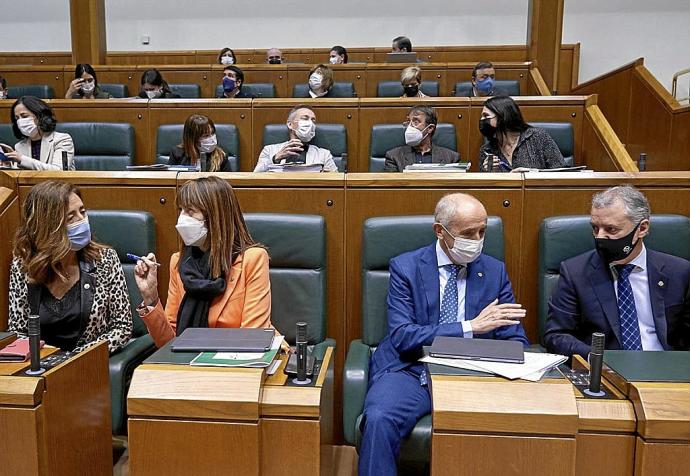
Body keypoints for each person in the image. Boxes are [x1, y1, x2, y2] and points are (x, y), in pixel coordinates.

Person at [358, 193, 529, 476]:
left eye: (482, 231)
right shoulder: (406, 267)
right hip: (411, 368)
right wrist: (470, 327)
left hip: (472, 371)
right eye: (468, 233)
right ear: (440, 231)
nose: (476, 240)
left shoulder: (494, 271)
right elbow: (403, 335)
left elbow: (514, 337)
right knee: (378, 419)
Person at [545, 186, 690, 358]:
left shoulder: (679, 272)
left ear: (642, 228)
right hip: (605, 372)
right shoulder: (575, 272)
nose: (600, 237)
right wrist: (597, 359)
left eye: (611, 229)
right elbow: (556, 335)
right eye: (595, 228)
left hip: (665, 371)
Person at [133, 177, 279, 348]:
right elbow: (168, 343)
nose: (182, 219)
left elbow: (252, 338)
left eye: (190, 211)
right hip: (189, 363)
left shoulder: (252, 259)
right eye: (181, 210)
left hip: (236, 364)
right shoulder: (179, 262)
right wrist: (150, 297)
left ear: (215, 217)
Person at [8, 181, 133, 353]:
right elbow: (18, 332)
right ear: (48, 227)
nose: (82, 221)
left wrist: (74, 359)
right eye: (70, 217)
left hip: (87, 367)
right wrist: (47, 357)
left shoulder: (104, 259)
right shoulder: (23, 264)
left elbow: (122, 328)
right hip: (41, 368)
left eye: (82, 212)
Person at [478, 95, 565, 172]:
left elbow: (562, 171)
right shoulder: (487, 151)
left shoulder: (538, 137)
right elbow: (484, 187)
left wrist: (531, 173)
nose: (482, 120)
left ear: (502, 117)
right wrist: (489, 173)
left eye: (486, 116)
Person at [254, 105, 338, 172]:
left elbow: (337, 182)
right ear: (290, 124)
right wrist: (275, 159)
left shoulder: (324, 154)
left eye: (313, 120)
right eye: (305, 118)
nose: (310, 123)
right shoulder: (269, 150)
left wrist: (327, 176)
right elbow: (255, 177)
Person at [0, 96, 75, 170]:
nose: (20, 121)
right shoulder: (19, 146)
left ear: (40, 116)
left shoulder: (62, 140)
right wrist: (9, 166)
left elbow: (58, 170)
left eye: (24, 116)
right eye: (17, 118)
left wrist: (21, 159)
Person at [384, 105, 461, 172]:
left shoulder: (451, 158)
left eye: (416, 122)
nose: (410, 127)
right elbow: (391, 187)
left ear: (430, 128)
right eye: (408, 122)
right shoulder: (394, 156)